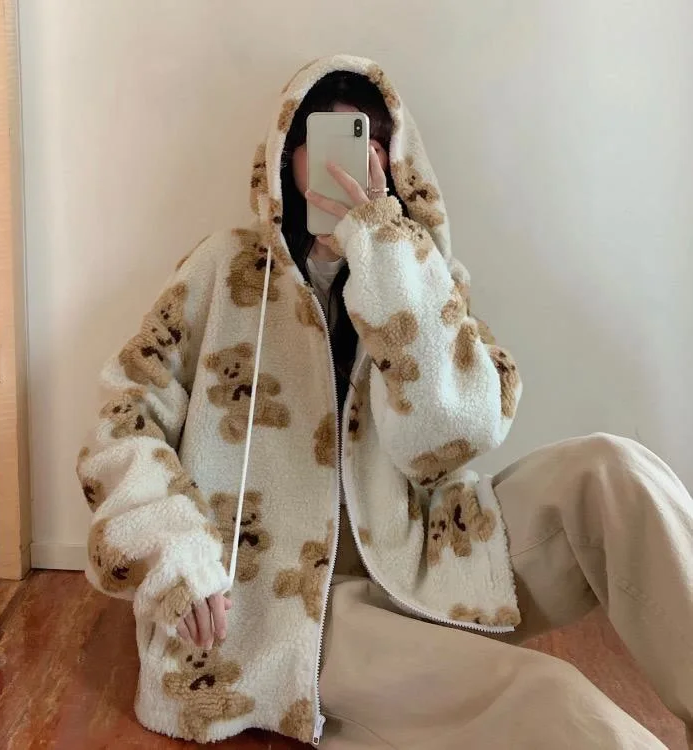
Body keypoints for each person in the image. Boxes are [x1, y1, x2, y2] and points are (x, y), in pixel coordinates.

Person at [76, 55, 693, 749]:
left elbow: (452, 438)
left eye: (370, 141)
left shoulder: (421, 272)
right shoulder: (224, 270)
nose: (351, 161)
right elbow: (124, 416)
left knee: (615, 472)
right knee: (552, 698)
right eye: (325, 142)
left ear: (394, 160)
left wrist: (383, 253)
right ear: (287, 158)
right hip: (288, 609)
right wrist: (174, 548)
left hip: (427, 558)